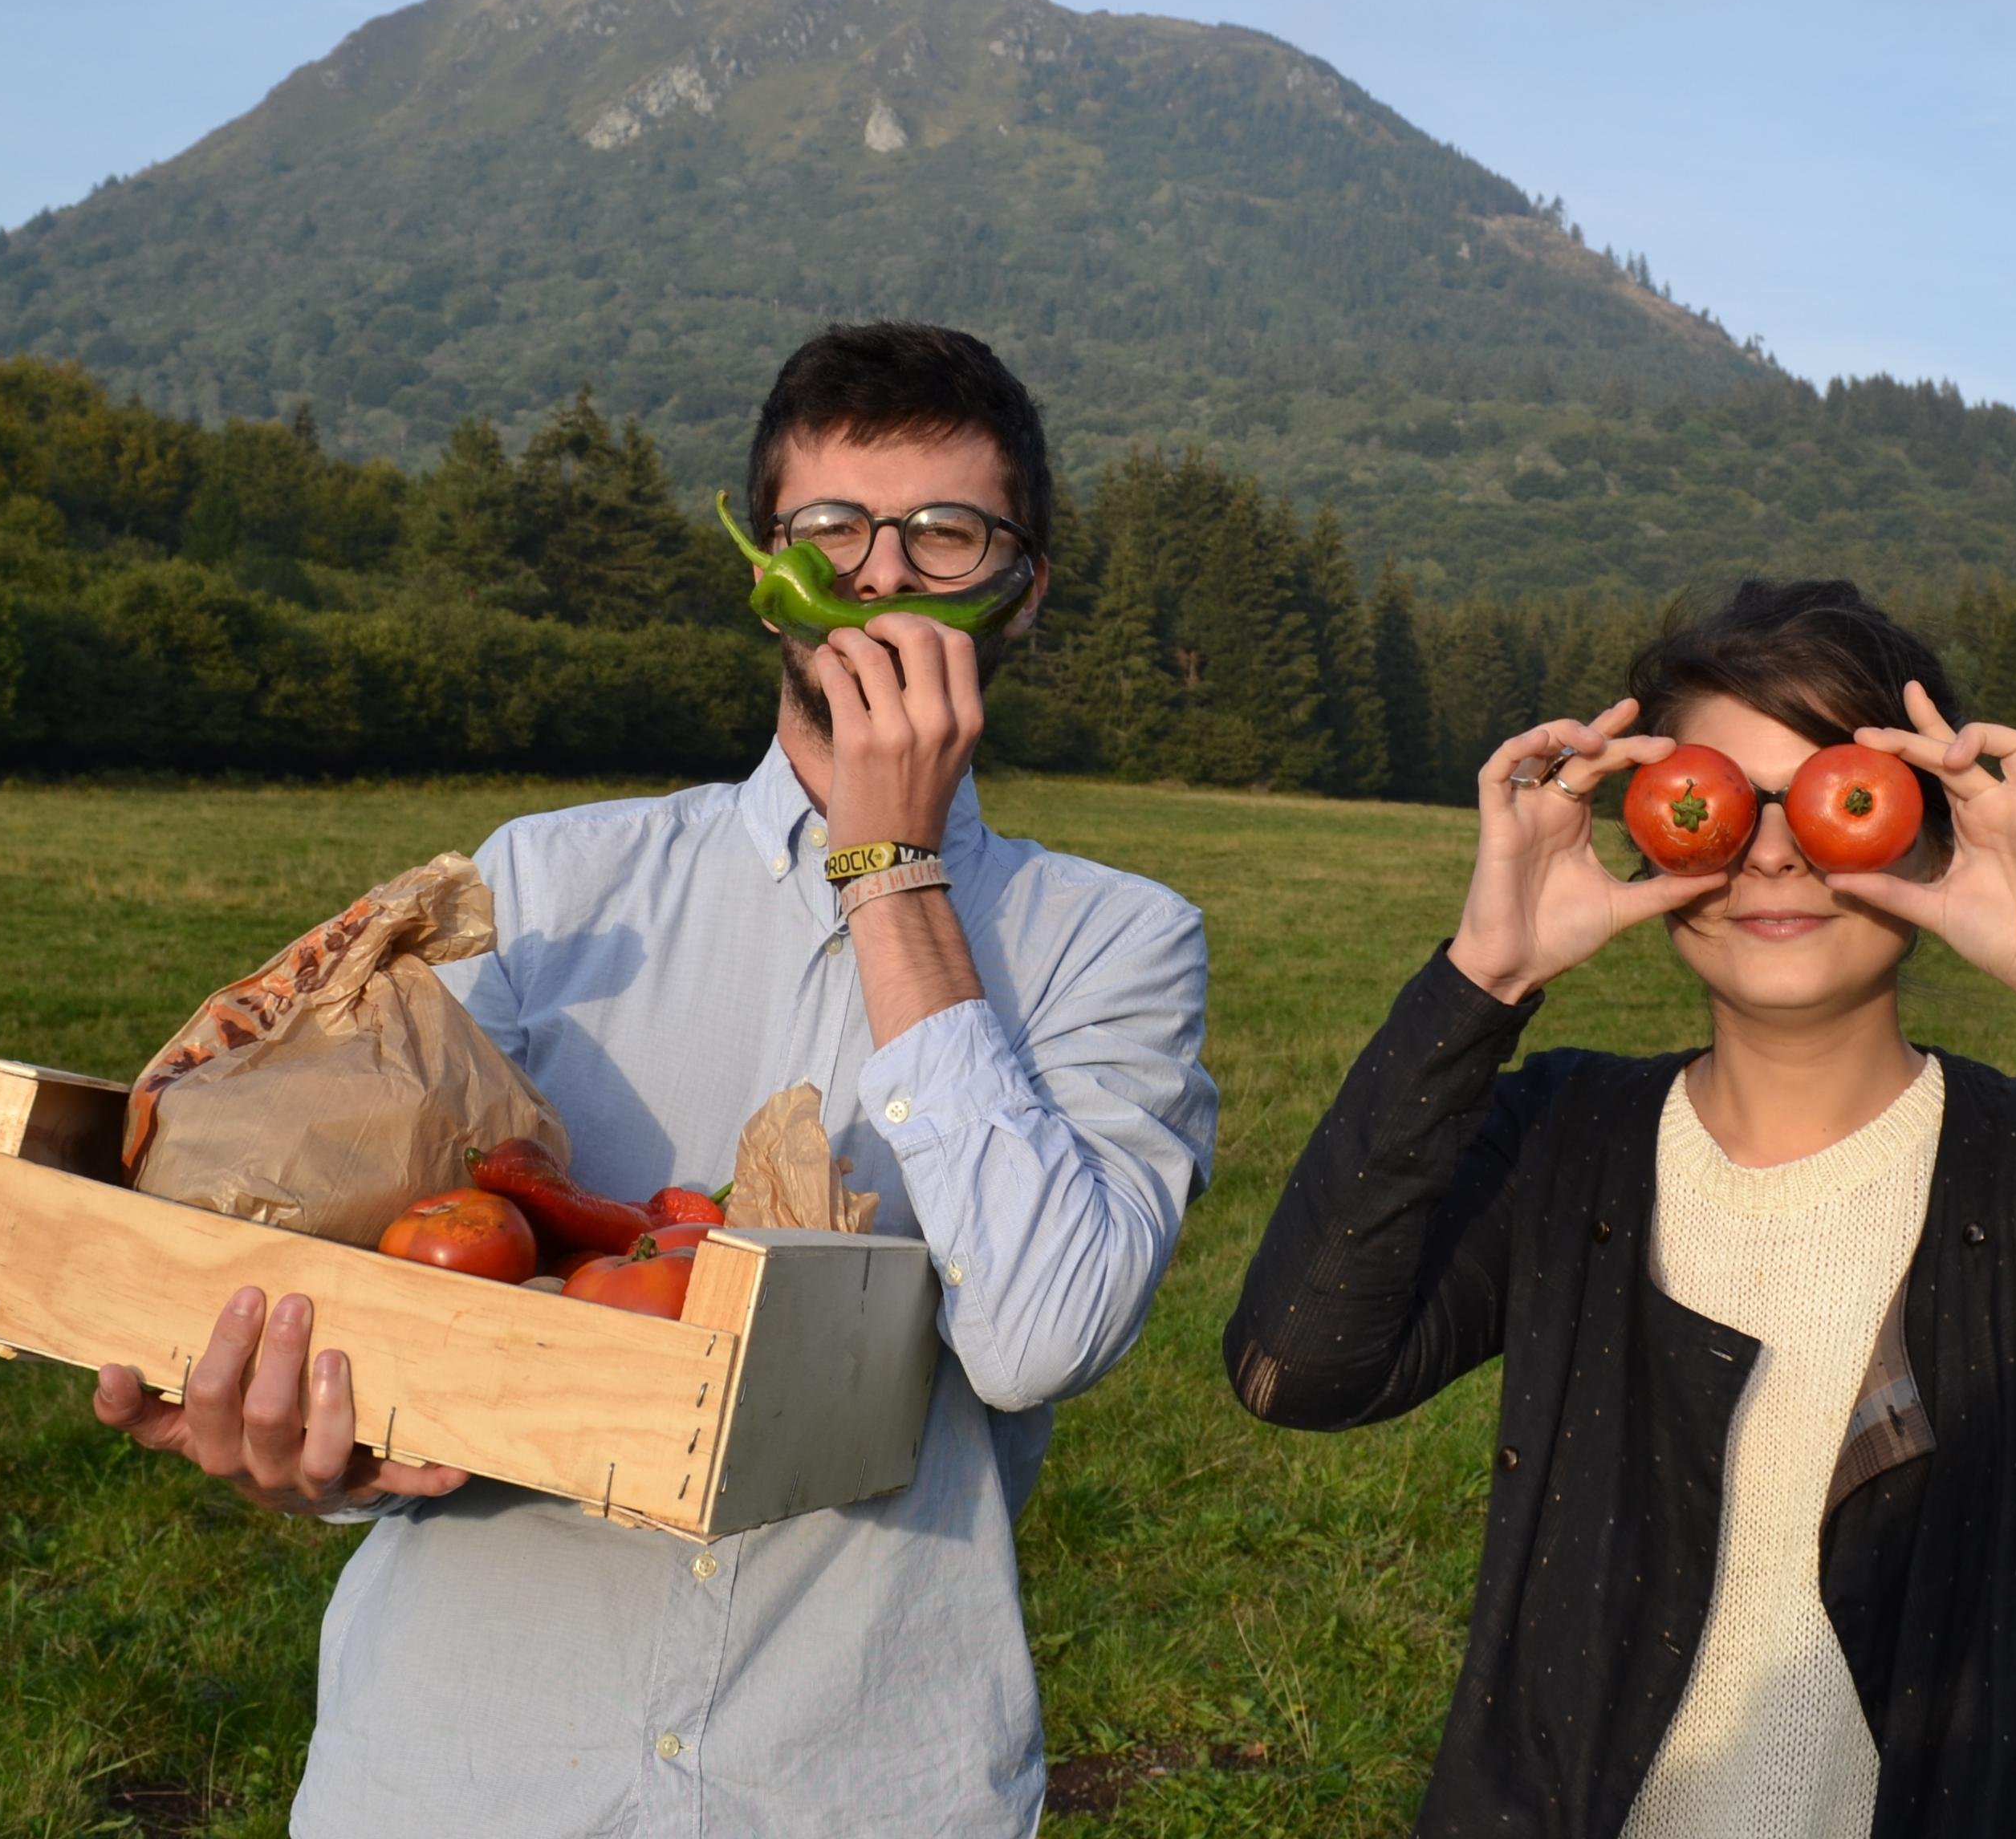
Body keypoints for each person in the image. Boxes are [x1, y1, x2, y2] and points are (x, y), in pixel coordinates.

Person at [93, 320, 1218, 1838]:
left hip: (864, 1787)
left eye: (946, 533)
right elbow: (393, 1284)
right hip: (458, 1775)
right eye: (832, 531)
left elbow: (1036, 1338)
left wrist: (890, 870)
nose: (881, 575)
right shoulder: (545, 885)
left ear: (1024, 592)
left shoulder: (1118, 944)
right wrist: (322, 1455)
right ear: (768, 570)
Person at [1224, 578, 2016, 1839]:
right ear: (1650, 836)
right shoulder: (1563, 1143)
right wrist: (1482, 978)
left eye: (1834, 803)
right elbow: (1299, 1370)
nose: (1771, 851)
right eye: (1715, 804)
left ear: (1934, 837)